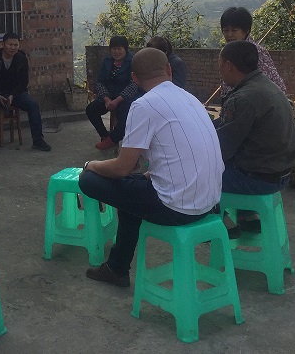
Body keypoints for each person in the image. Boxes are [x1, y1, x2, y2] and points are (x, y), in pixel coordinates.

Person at [79, 48, 224, 287]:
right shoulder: (191, 99)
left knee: (89, 180)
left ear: (134, 78)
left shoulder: (144, 105)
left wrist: (89, 165)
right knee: (131, 196)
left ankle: (117, 268)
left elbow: (123, 167)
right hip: (209, 202)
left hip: (177, 208)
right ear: (169, 69)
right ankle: (116, 268)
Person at [214, 40, 295, 236]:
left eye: (219, 64)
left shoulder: (243, 98)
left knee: (195, 176)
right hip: (281, 173)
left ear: (229, 65)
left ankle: (224, 226)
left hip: (259, 178)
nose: (219, 70)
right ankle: (248, 217)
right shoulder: (267, 85)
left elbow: (221, 149)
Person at [0, 32, 51, 151]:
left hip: (16, 94)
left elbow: (24, 82)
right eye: (10, 44)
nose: (13, 48)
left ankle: (38, 141)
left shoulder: (21, 58)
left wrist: (13, 95)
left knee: (33, 105)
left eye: (16, 45)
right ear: (3, 44)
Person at [86, 36, 142, 152]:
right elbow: (100, 82)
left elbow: (133, 85)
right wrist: (106, 99)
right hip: (108, 97)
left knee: (126, 114)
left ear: (125, 49)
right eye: (114, 49)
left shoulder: (133, 61)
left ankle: (113, 139)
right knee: (91, 109)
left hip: (125, 98)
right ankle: (105, 136)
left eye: (119, 49)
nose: (116, 52)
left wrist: (117, 100)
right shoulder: (107, 61)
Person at [220, 7, 285, 98]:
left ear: (246, 31)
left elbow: (277, 86)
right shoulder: (227, 53)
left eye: (234, 30)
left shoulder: (257, 52)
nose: (229, 35)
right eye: (226, 30)